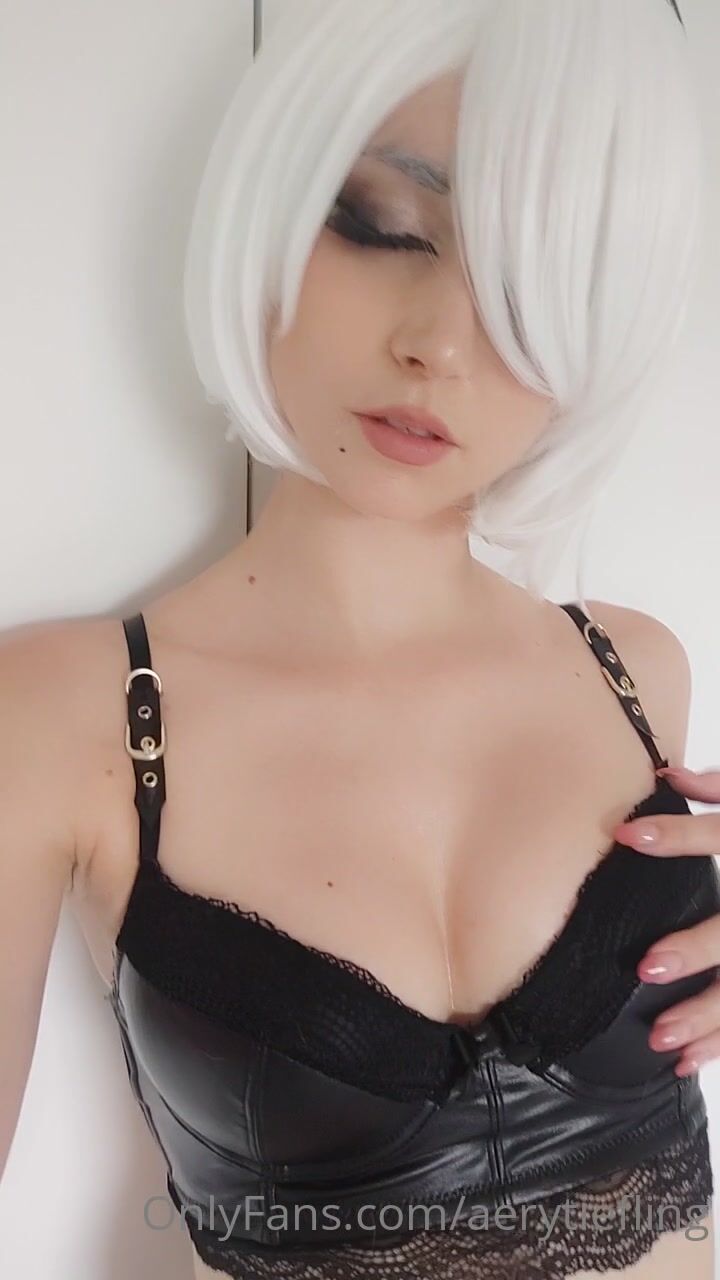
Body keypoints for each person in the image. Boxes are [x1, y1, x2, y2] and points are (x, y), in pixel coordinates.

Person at [2, 1, 719, 1278]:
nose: (436, 343)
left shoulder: (637, 668)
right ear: (280, 205)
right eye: (385, 226)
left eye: (526, 286)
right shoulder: (65, 712)